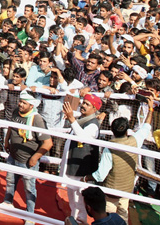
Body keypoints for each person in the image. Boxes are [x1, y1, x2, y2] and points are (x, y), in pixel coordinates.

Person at [2, 91, 53, 215]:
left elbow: (48, 143)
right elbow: (11, 126)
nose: (20, 104)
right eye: (20, 101)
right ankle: (8, 202)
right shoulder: (16, 112)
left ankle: (30, 214)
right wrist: (7, 141)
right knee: (10, 180)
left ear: (32, 106)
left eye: (24, 103)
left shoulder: (37, 120)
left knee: (29, 188)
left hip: (27, 160)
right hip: (13, 156)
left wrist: (35, 157)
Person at [63, 93, 103, 223]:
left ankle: (80, 221)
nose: (83, 106)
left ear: (94, 109)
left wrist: (71, 119)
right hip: (73, 166)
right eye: (83, 103)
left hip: (82, 168)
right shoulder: (81, 119)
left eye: (87, 104)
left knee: (80, 200)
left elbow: (83, 138)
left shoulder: (93, 125)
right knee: (72, 198)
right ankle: (74, 220)